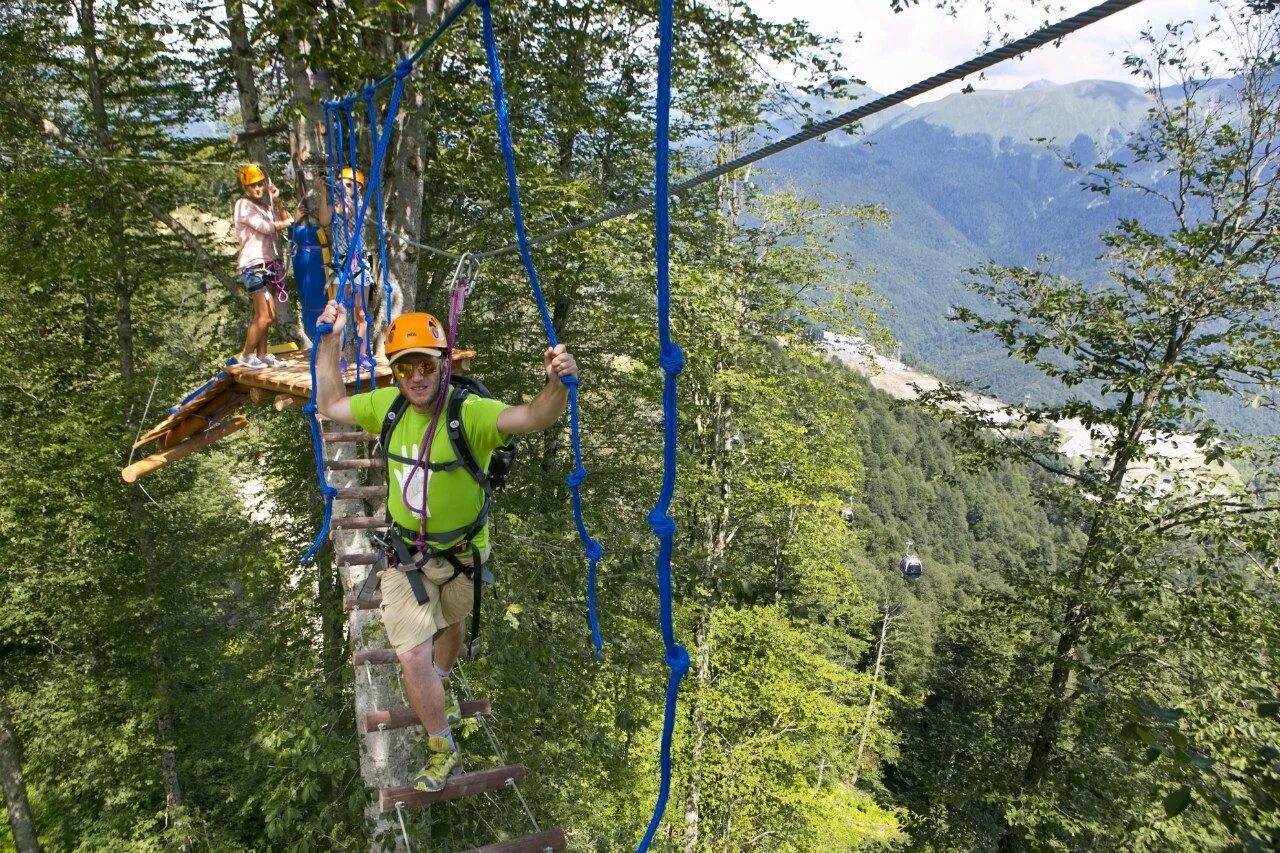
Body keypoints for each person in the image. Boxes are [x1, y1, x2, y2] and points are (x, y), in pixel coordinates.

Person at [313, 299, 579, 792]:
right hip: (404, 557)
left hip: (464, 556)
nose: (416, 376)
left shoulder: (469, 414)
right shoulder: (385, 407)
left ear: (443, 366)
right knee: (410, 654)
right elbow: (329, 404)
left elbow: (533, 418)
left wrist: (557, 384)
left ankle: (439, 680)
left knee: (451, 626)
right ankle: (441, 744)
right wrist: (330, 344)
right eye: (405, 367)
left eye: (426, 365)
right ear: (393, 374)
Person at [233, 164, 293, 369]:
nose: (257, 189)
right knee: (265, 315)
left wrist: (276, 199)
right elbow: (266, 227)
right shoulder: (243, 205)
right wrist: (286, 223)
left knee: (268, 317)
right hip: (254, 266)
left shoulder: (265, 207)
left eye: (260, 184)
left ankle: (262, 353)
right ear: (245, 188)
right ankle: (247, 355)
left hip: (269, 265)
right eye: (252, 186)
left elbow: (283, 219)